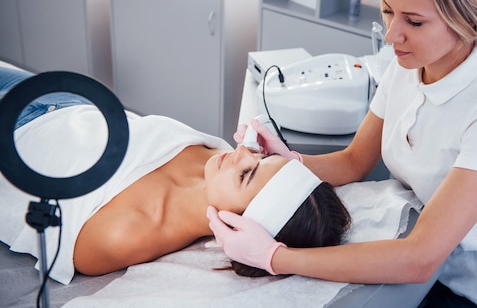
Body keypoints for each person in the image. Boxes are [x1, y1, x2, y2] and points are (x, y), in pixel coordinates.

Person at [208, 0, 477, 308]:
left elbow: (419, 259)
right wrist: (288, 162)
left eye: (413, 22)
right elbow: (354, 161)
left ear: (465, 19)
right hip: (416, 257)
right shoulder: (408, 64)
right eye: (388, 12)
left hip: (476, 292)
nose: (391, 36)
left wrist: (274, 257)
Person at [0, 66, 350, 284]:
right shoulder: (219, 167)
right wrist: (284, 163)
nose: (241, 153)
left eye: (247, 175)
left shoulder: (123, 234)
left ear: (238, 225)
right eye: (261, 156)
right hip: (58, 100)